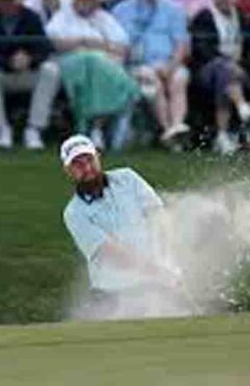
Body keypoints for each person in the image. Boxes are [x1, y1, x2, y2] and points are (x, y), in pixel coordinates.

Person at [60, 134, 182, 317]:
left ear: (98, 157)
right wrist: (157, 271)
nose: (87, 168)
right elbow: (110, 252)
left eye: (90, 160)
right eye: (78, 164)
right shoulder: (74, 213)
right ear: (68, 170)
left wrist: (168, 258)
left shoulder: (128, 178)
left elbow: (158, 215)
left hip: (152, 285)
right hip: (111, 294)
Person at [46, 0, 139, 151]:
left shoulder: (104, 18)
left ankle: (98, 127)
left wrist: (99, 46)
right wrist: (84, 42)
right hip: (71, 67)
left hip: (104, 67)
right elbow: (54, 42)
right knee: (92, 61)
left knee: (100, 64)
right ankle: (94, 127)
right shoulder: (63, 16)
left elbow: (122, 46)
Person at [113, 0, 191, 146]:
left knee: (179, 78)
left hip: (169, 63)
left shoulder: (174, 10)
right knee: (151, 79)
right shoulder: (121, 10)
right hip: (137, 65)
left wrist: (171, 66)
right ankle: (167, 130)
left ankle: (177, 125)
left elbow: (181, 44)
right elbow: (117, 44)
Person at [0, 0, 59, 150]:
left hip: (26, 72)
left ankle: (34, 129)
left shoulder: (31, 17)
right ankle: (1, 129)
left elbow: (44, 48)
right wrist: (7, 62)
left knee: (51, 70)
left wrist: (29, 59)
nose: (7, 3)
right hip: (0, 73)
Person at [190, 0, 250, 154]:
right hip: (208, 69)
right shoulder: (203, 18)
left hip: (239, 70)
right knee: (223, 71)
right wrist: (228, 62)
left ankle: (222, 135)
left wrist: (239, 65)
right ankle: (241, 106)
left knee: (227, 77)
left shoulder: (242, 18)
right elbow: (202, 51)